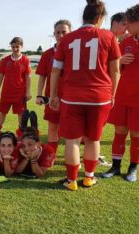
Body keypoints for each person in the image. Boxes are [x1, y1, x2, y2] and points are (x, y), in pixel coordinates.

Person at [49, 0, 121, 191]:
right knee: (93, 139)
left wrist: (53, 94)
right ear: (99, 17)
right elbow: (115, 71)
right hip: (100, 96)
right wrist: (113, 94)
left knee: (72, 141)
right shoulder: (109, 37)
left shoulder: (67, 39)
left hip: (72, 96)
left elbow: (56, 70)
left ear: (84, 17)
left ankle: (71, 180)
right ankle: (89, 177)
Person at [102, 4, 139, 182]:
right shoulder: (126, 42)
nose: (127, 27)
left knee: (136, 134)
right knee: (120, 131)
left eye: (129, 23)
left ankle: (133, 168)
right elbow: (113, 69)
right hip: (122, 96)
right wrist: (120, 61)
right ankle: (115, 167)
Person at [35, 19, 72, 154]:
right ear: (54, 34)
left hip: (71, 97)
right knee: (52, 128)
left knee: (71, 129)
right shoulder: (47, 54)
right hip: (53, 97)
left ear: (70, 32)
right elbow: (42, 76)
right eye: (58, 32)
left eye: (64, 32)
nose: (61, 35)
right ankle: (51, 155)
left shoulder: (75, 52)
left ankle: (71, 156)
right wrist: (39, 95)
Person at [0, 37, 31, 138]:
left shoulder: (25, 60)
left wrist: (28, 91)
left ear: (22, 47)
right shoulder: (5, 60)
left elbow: (28, 77)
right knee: (2, 112)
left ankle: (21, 133)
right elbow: (1, 75)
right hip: (6, 92)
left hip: (20, 93)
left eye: (17, 47)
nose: (15, 49)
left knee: (21, 114)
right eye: (13, 47)